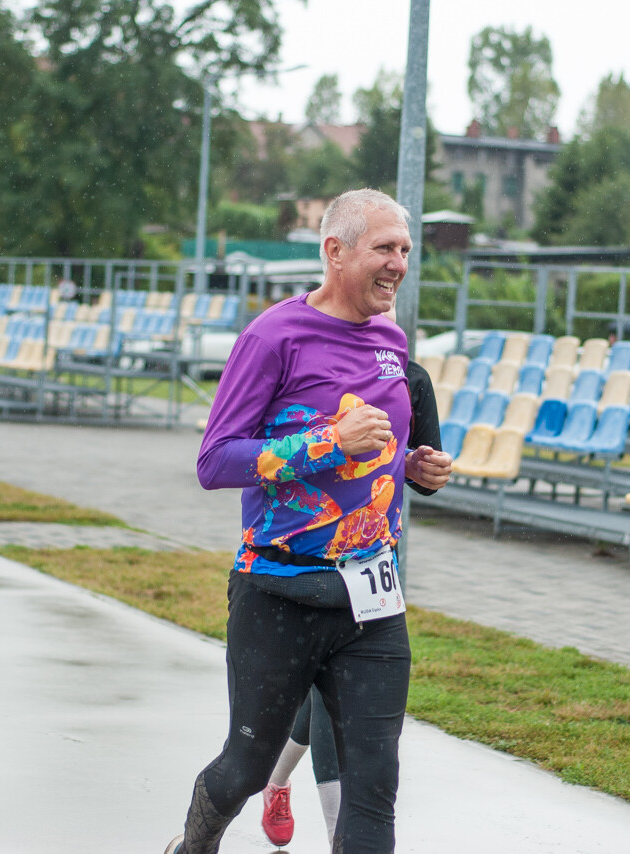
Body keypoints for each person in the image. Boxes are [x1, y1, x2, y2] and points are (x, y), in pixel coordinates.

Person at [164, 189, 452, 854]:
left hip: (372, 601)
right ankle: (193, 846)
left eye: (406, 250)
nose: (399, 264)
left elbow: (371, 453)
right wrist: (326, 443)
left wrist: (410, 467)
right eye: (385, 248)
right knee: (245, 771)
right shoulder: (274, 337)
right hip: (279, 593)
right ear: (335, 252)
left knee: (374, 786)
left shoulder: (392, 341)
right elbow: (214, 461)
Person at [260, 306, 449, 848]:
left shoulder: (411, 379)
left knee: (333, 700)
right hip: (305, 559)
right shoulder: (312, 364)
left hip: (373, 569)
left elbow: (423, 471)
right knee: (320, 698)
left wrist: (427, 469)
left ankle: (283, 786)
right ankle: (307, 811)